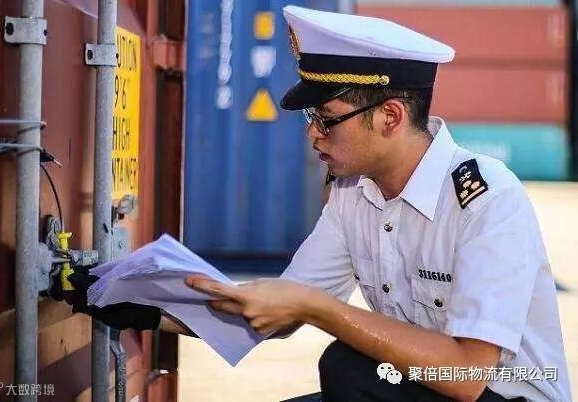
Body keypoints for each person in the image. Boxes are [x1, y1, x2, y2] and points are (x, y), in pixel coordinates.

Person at [69, 6, 572, 402]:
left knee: (347, 369)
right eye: (310, 117)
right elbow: (282, 311)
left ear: (390, 116)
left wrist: (319, 309)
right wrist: (146, 305)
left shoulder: (485, 199)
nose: (313, 133)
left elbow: (465, 375)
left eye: (327, 118)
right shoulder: (355, 194)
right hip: (413, 390)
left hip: (502, 395)